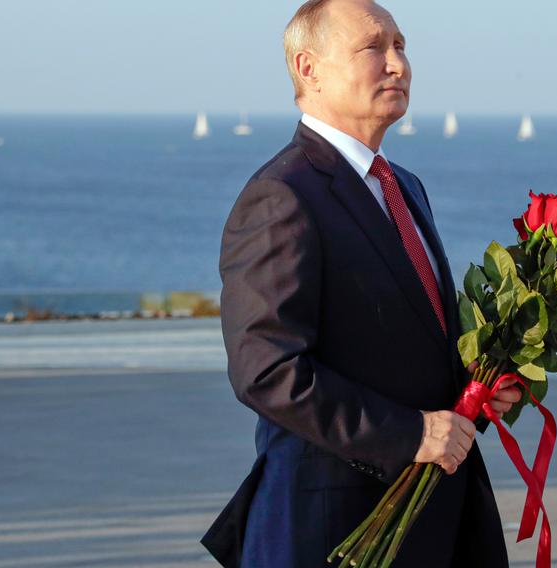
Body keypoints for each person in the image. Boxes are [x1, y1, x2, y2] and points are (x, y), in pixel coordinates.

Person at [199, 1, 521, 566]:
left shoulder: (405, 187)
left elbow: (402, 339)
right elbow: (266, 371)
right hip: (333, 529)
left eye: (401, 45)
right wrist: (410, 433)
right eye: (374, 48)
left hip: (434, 522)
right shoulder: (282, 196)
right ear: (308, 68)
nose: (398, 64)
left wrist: (479, 385)